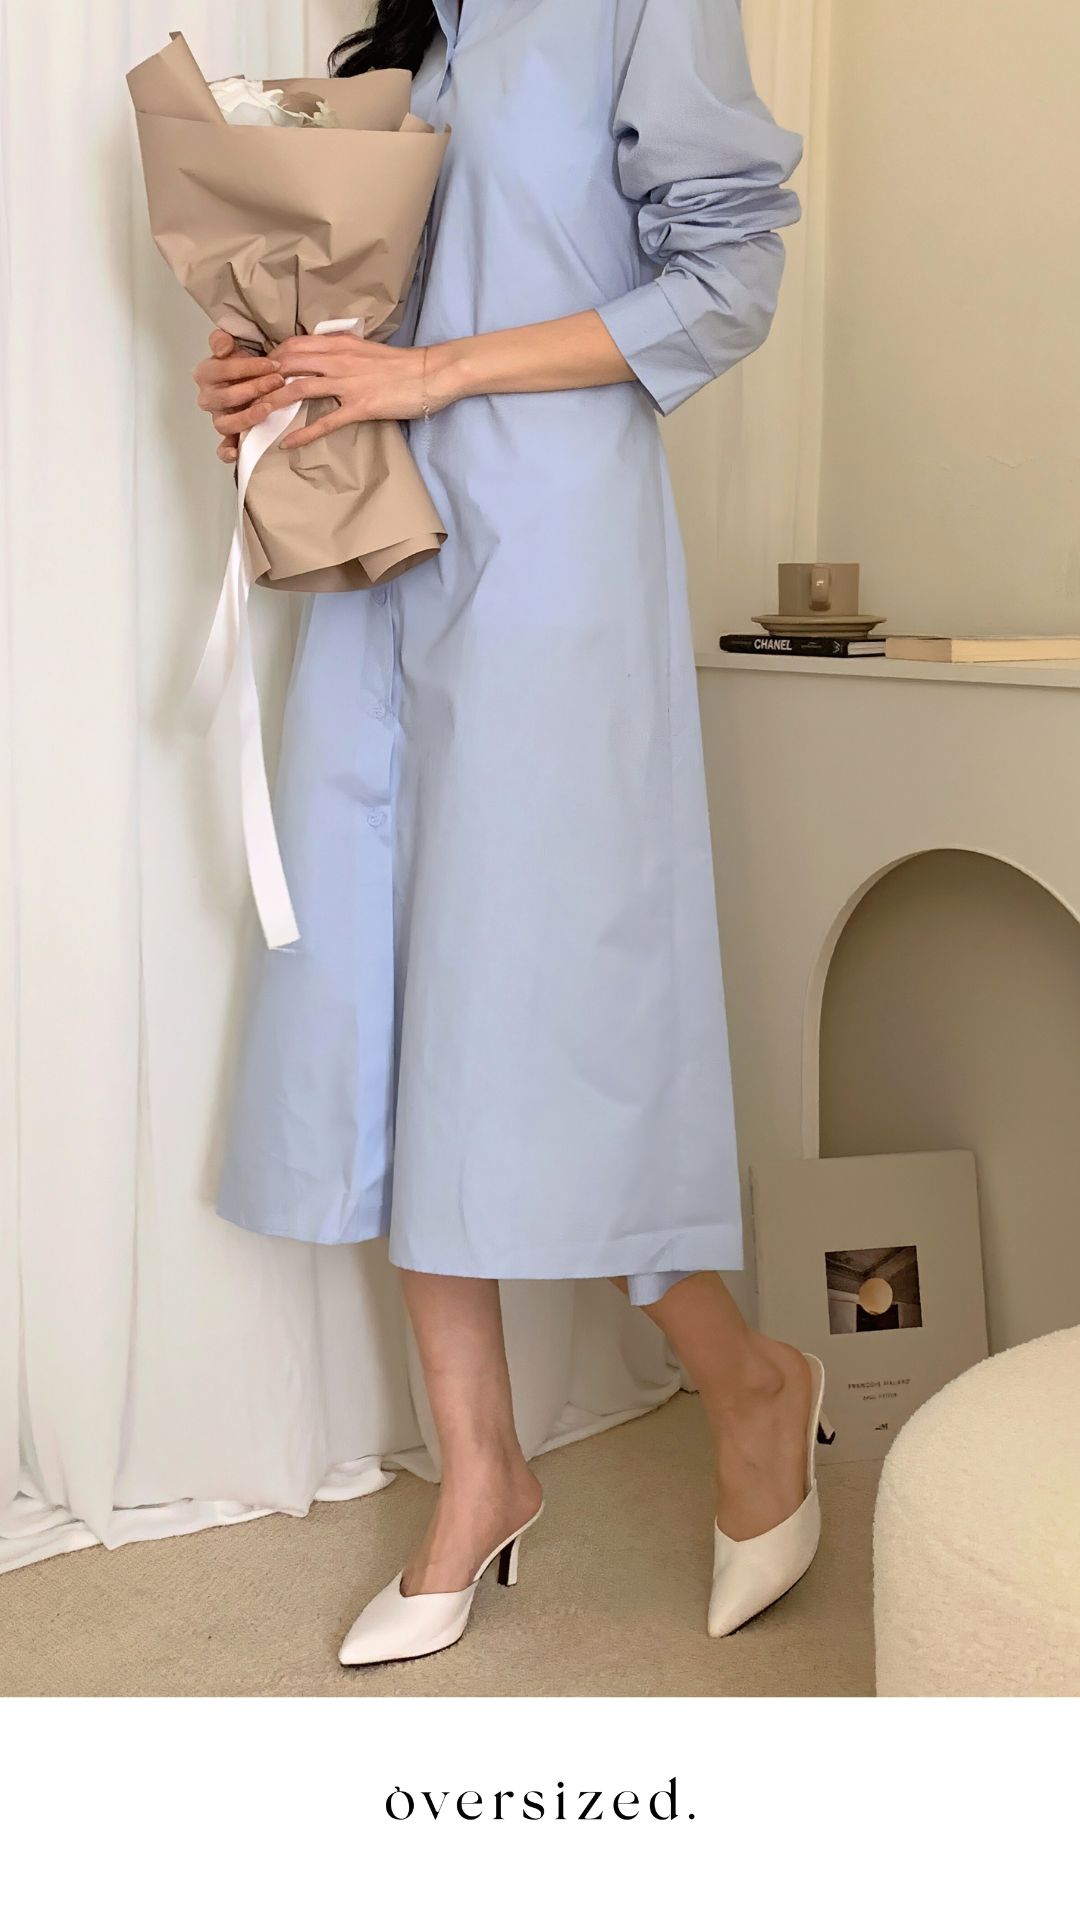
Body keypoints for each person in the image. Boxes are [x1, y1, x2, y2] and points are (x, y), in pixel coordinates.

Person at [193, 0, 828, 1667]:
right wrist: (273, 370)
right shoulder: (405, 37)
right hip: (377, 555)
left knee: (557, 1009)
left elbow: (727, 277)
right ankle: (479, 1471)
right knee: (387, 997)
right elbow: (365, 303)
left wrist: (435, 370)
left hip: (551, 552)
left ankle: (751, 1385)